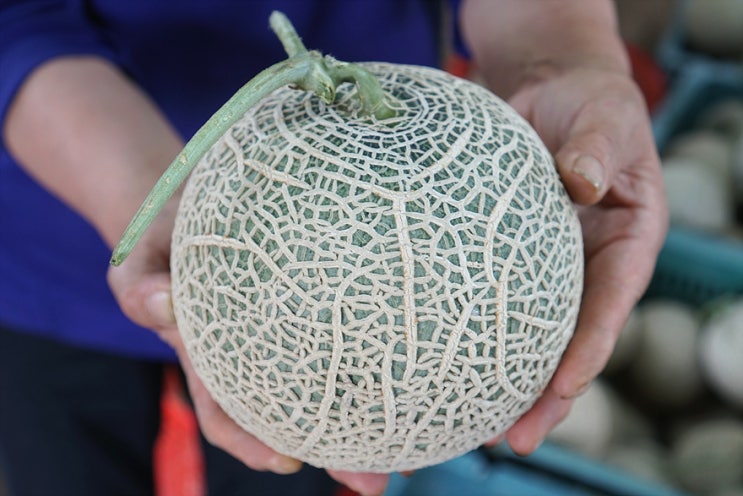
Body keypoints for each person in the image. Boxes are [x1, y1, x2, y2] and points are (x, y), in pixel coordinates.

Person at [0, 0, 668, 495]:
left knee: (281, 478)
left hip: (391, 238)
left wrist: (555, 53)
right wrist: (141, 192)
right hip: (47, 230)